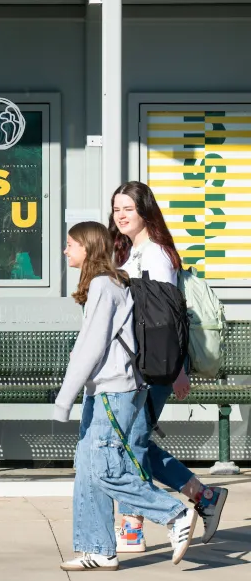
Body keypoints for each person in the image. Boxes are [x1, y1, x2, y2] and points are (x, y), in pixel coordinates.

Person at [54, 221, 197, 571]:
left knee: (105, 469)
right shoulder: (109, 283)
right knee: (88, 470)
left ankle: (174, 513)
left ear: (88, 248)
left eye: (71, 244)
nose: (66, 250)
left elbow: (90, 347)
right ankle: (98, 548)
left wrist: (63, 399)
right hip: (107, 390)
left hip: (113, 390)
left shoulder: (104, 285)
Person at [110, 181, 228, 553]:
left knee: (130, 446)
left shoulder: (157, 255)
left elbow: (169, 317)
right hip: (137, 363)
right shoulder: (130, 253)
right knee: (133, 443)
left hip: (154, 367)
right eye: (117, 209)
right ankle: (204, 496)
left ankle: (132, 526)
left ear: (146, 211)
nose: (121, 215)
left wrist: (176, 369)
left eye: (128, 207)